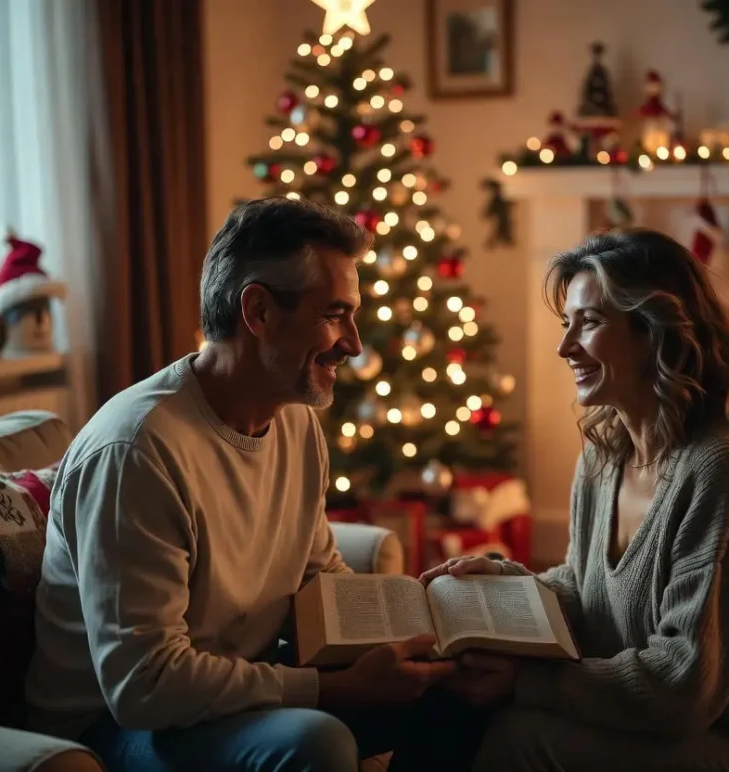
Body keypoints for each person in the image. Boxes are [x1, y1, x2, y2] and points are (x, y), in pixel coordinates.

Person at [25, 197, 456, 772]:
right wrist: (334, 688)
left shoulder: (296, 421)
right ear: (258, 311)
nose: (353, 343)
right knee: (316, 742)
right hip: (113, 729)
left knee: (457, 695)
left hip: (233, 694)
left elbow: (317, 577)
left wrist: (423, 624)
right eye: (334, 315)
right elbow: (144, 686)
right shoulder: (137, 451)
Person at [408, 228, 729, 771]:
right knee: (452, 707)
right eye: (567, 323)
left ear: (655, 332)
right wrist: (509, 585)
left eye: (590, 322)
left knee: (518, 738)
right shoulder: (604, 453)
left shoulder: (722, 466)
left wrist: (528, 681)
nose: (565, 347)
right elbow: (585, 588)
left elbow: (682, 686)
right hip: (676, 727)